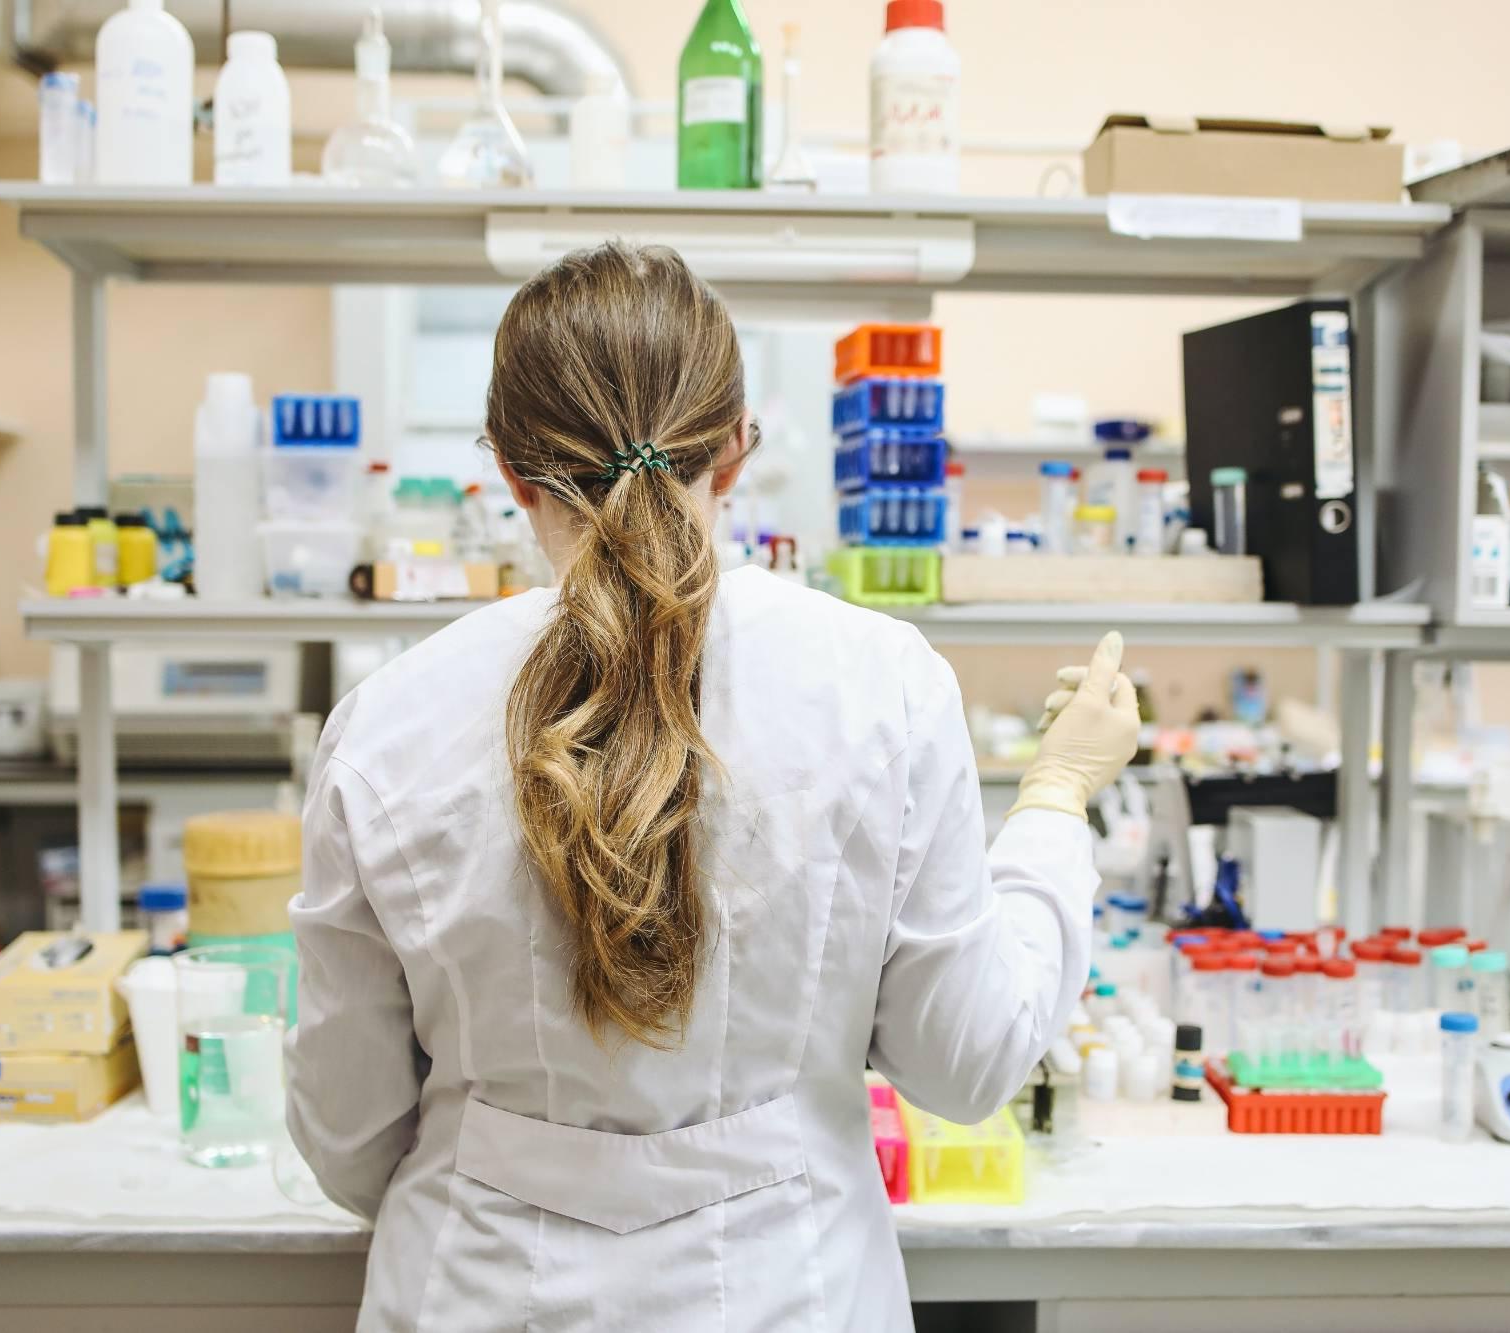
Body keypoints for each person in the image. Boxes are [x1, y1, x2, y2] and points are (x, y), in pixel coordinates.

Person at [287, 241, 1138, 1332]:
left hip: (477, 1291)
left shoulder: (387, 723)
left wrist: (518, 1166)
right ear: (734, 452)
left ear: (505, 469)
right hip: (792, 1294)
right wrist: (1058, 793)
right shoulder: (880, 687)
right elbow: (962, 1063)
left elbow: (347, 1133)